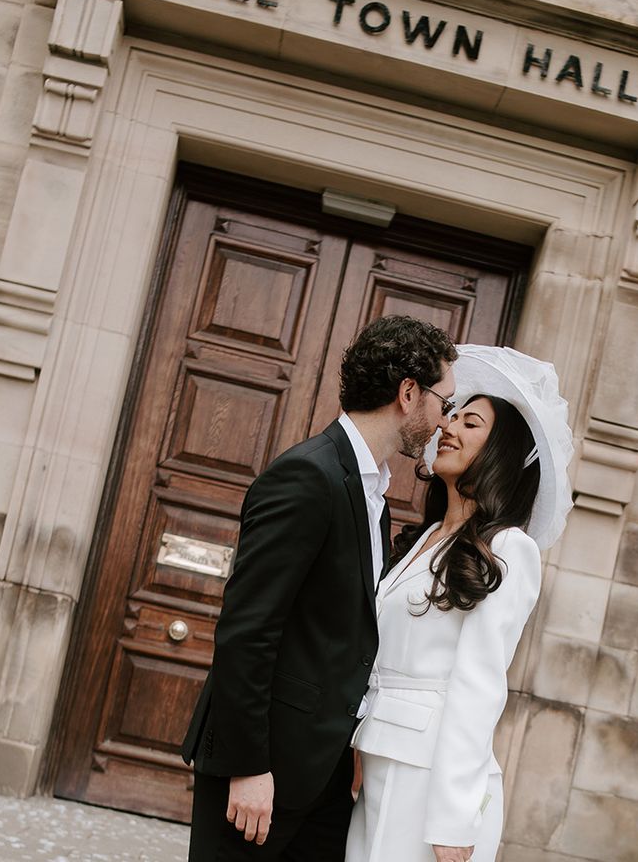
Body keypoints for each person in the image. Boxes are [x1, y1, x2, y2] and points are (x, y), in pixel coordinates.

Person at [180, 315, 458, 862]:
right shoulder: (308, 476)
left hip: (324, 772)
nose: (444, 419)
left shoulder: (373, 491)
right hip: (265, 768)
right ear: (408, 393)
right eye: (443, 401)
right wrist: (249, 767)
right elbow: (247, 630)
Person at [346, 345, 574, 862]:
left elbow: (478, 687)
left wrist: (453, 819)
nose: (448, 427)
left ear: (500, 454)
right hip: (378, 761)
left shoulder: (508, 549)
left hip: (429, 781)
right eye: (451, 415)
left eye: (470, 424)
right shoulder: (421, 540)